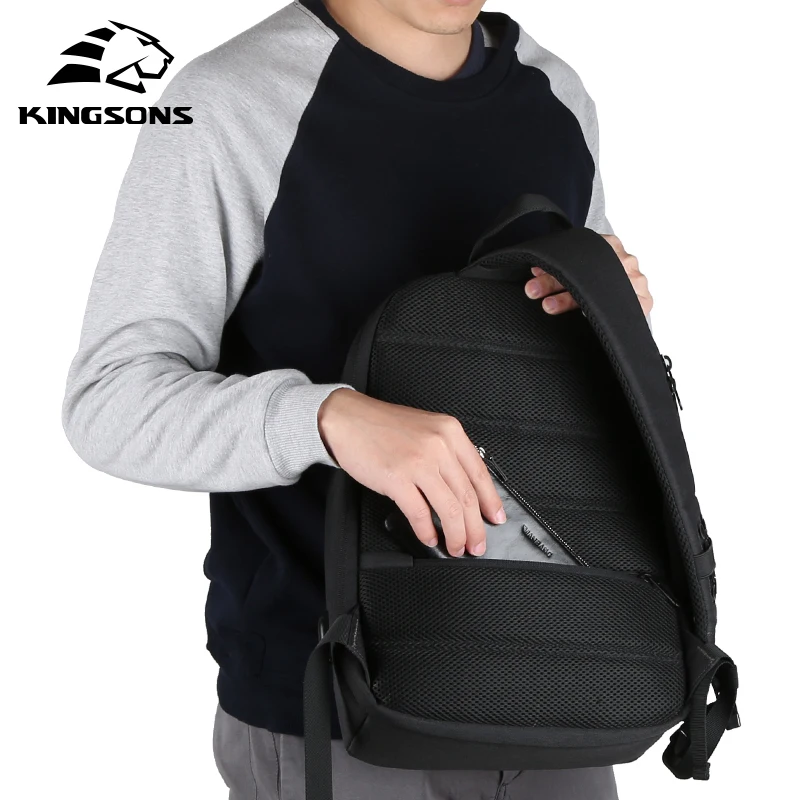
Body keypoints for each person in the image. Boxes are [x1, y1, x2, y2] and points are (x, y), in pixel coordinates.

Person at [62, 1, 652, 797]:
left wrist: (609, 316)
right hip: (337, 705)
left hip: (559, 679)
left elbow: (573, 407)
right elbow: (110, 400)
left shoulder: (554, 94)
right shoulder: (232, 102)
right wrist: (328, 420)